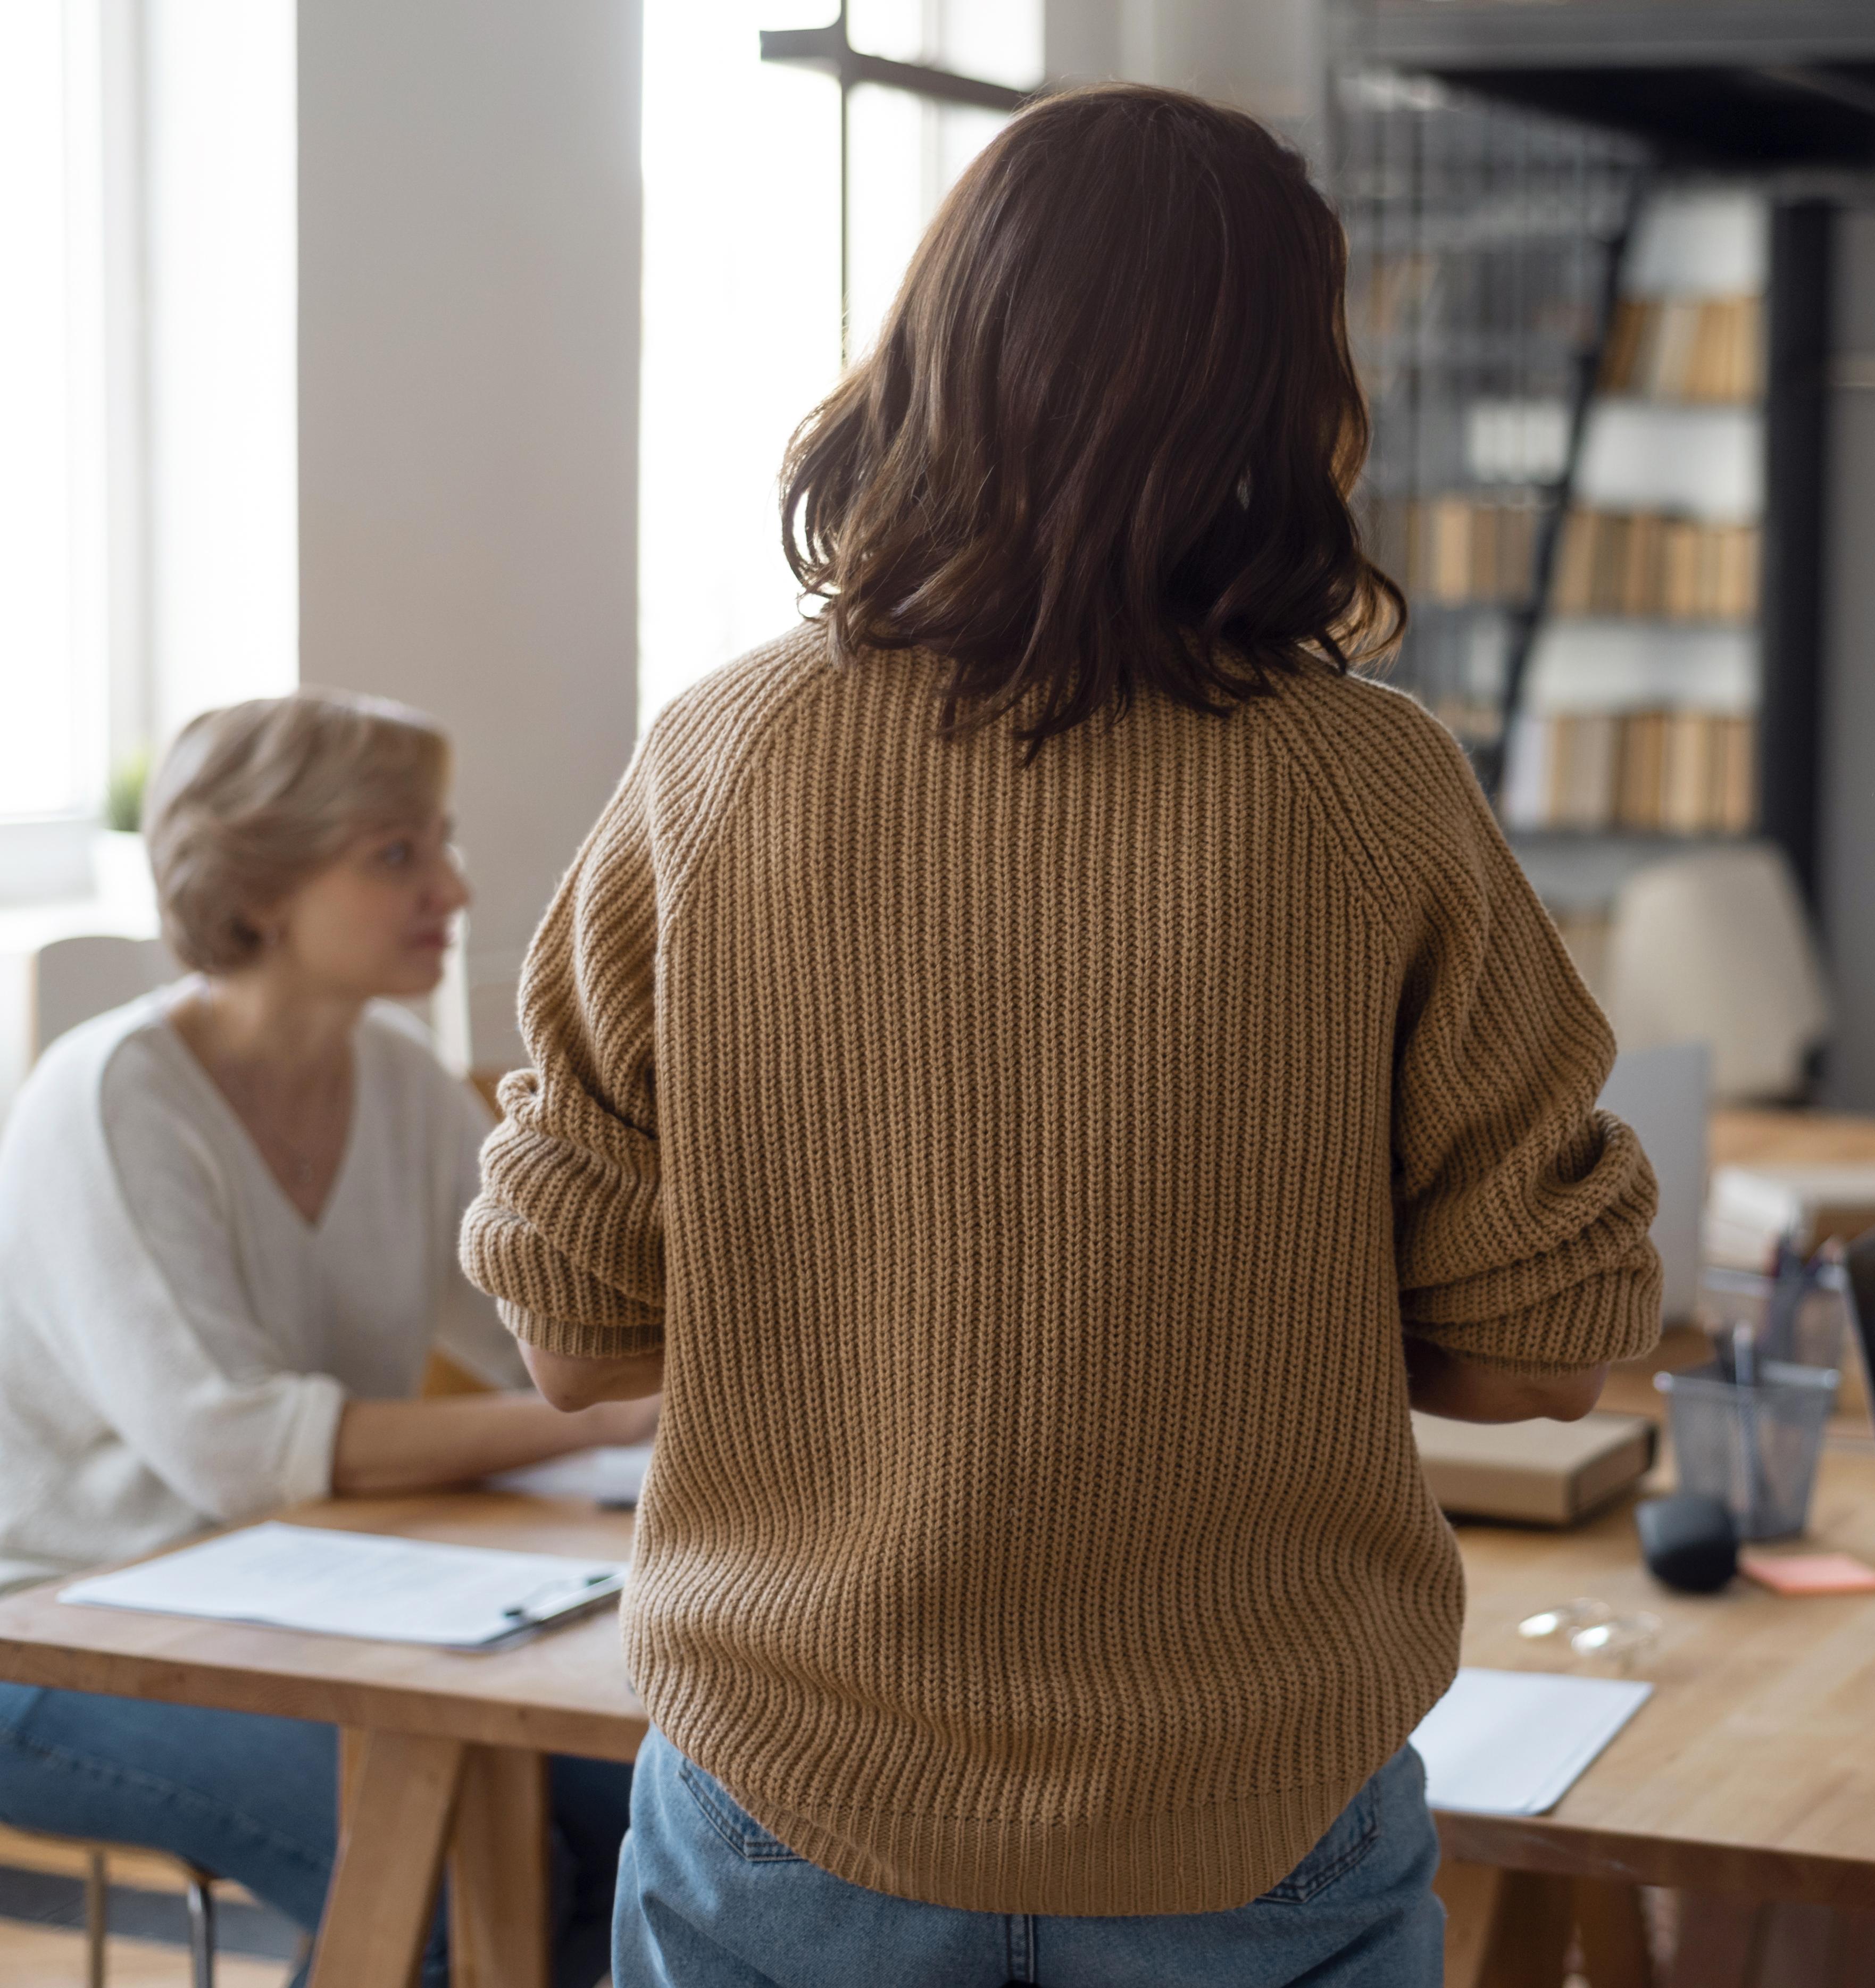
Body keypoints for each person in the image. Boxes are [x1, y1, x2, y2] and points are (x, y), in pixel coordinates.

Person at [460, 83, 1659, 1987]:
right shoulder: (1376, 789)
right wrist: (1244, 1321)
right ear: (1290, 399)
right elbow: (1544, 1354)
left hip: (790, 1787)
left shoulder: (718, 760)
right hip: (1252, 1806)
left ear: (934, 353)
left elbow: (578, 1338)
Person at [0, 691, 648, 1985]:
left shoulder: (400, 1078)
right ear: (258, 887)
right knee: (449, 1882)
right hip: (58, 1626)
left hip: (296, 1597)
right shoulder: (113, 1092)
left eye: (441, 841)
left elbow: (548, 1329)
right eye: (396, 853)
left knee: (646, 1817)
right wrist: (618, 1407)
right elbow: (241, 1453)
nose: (453, 887)